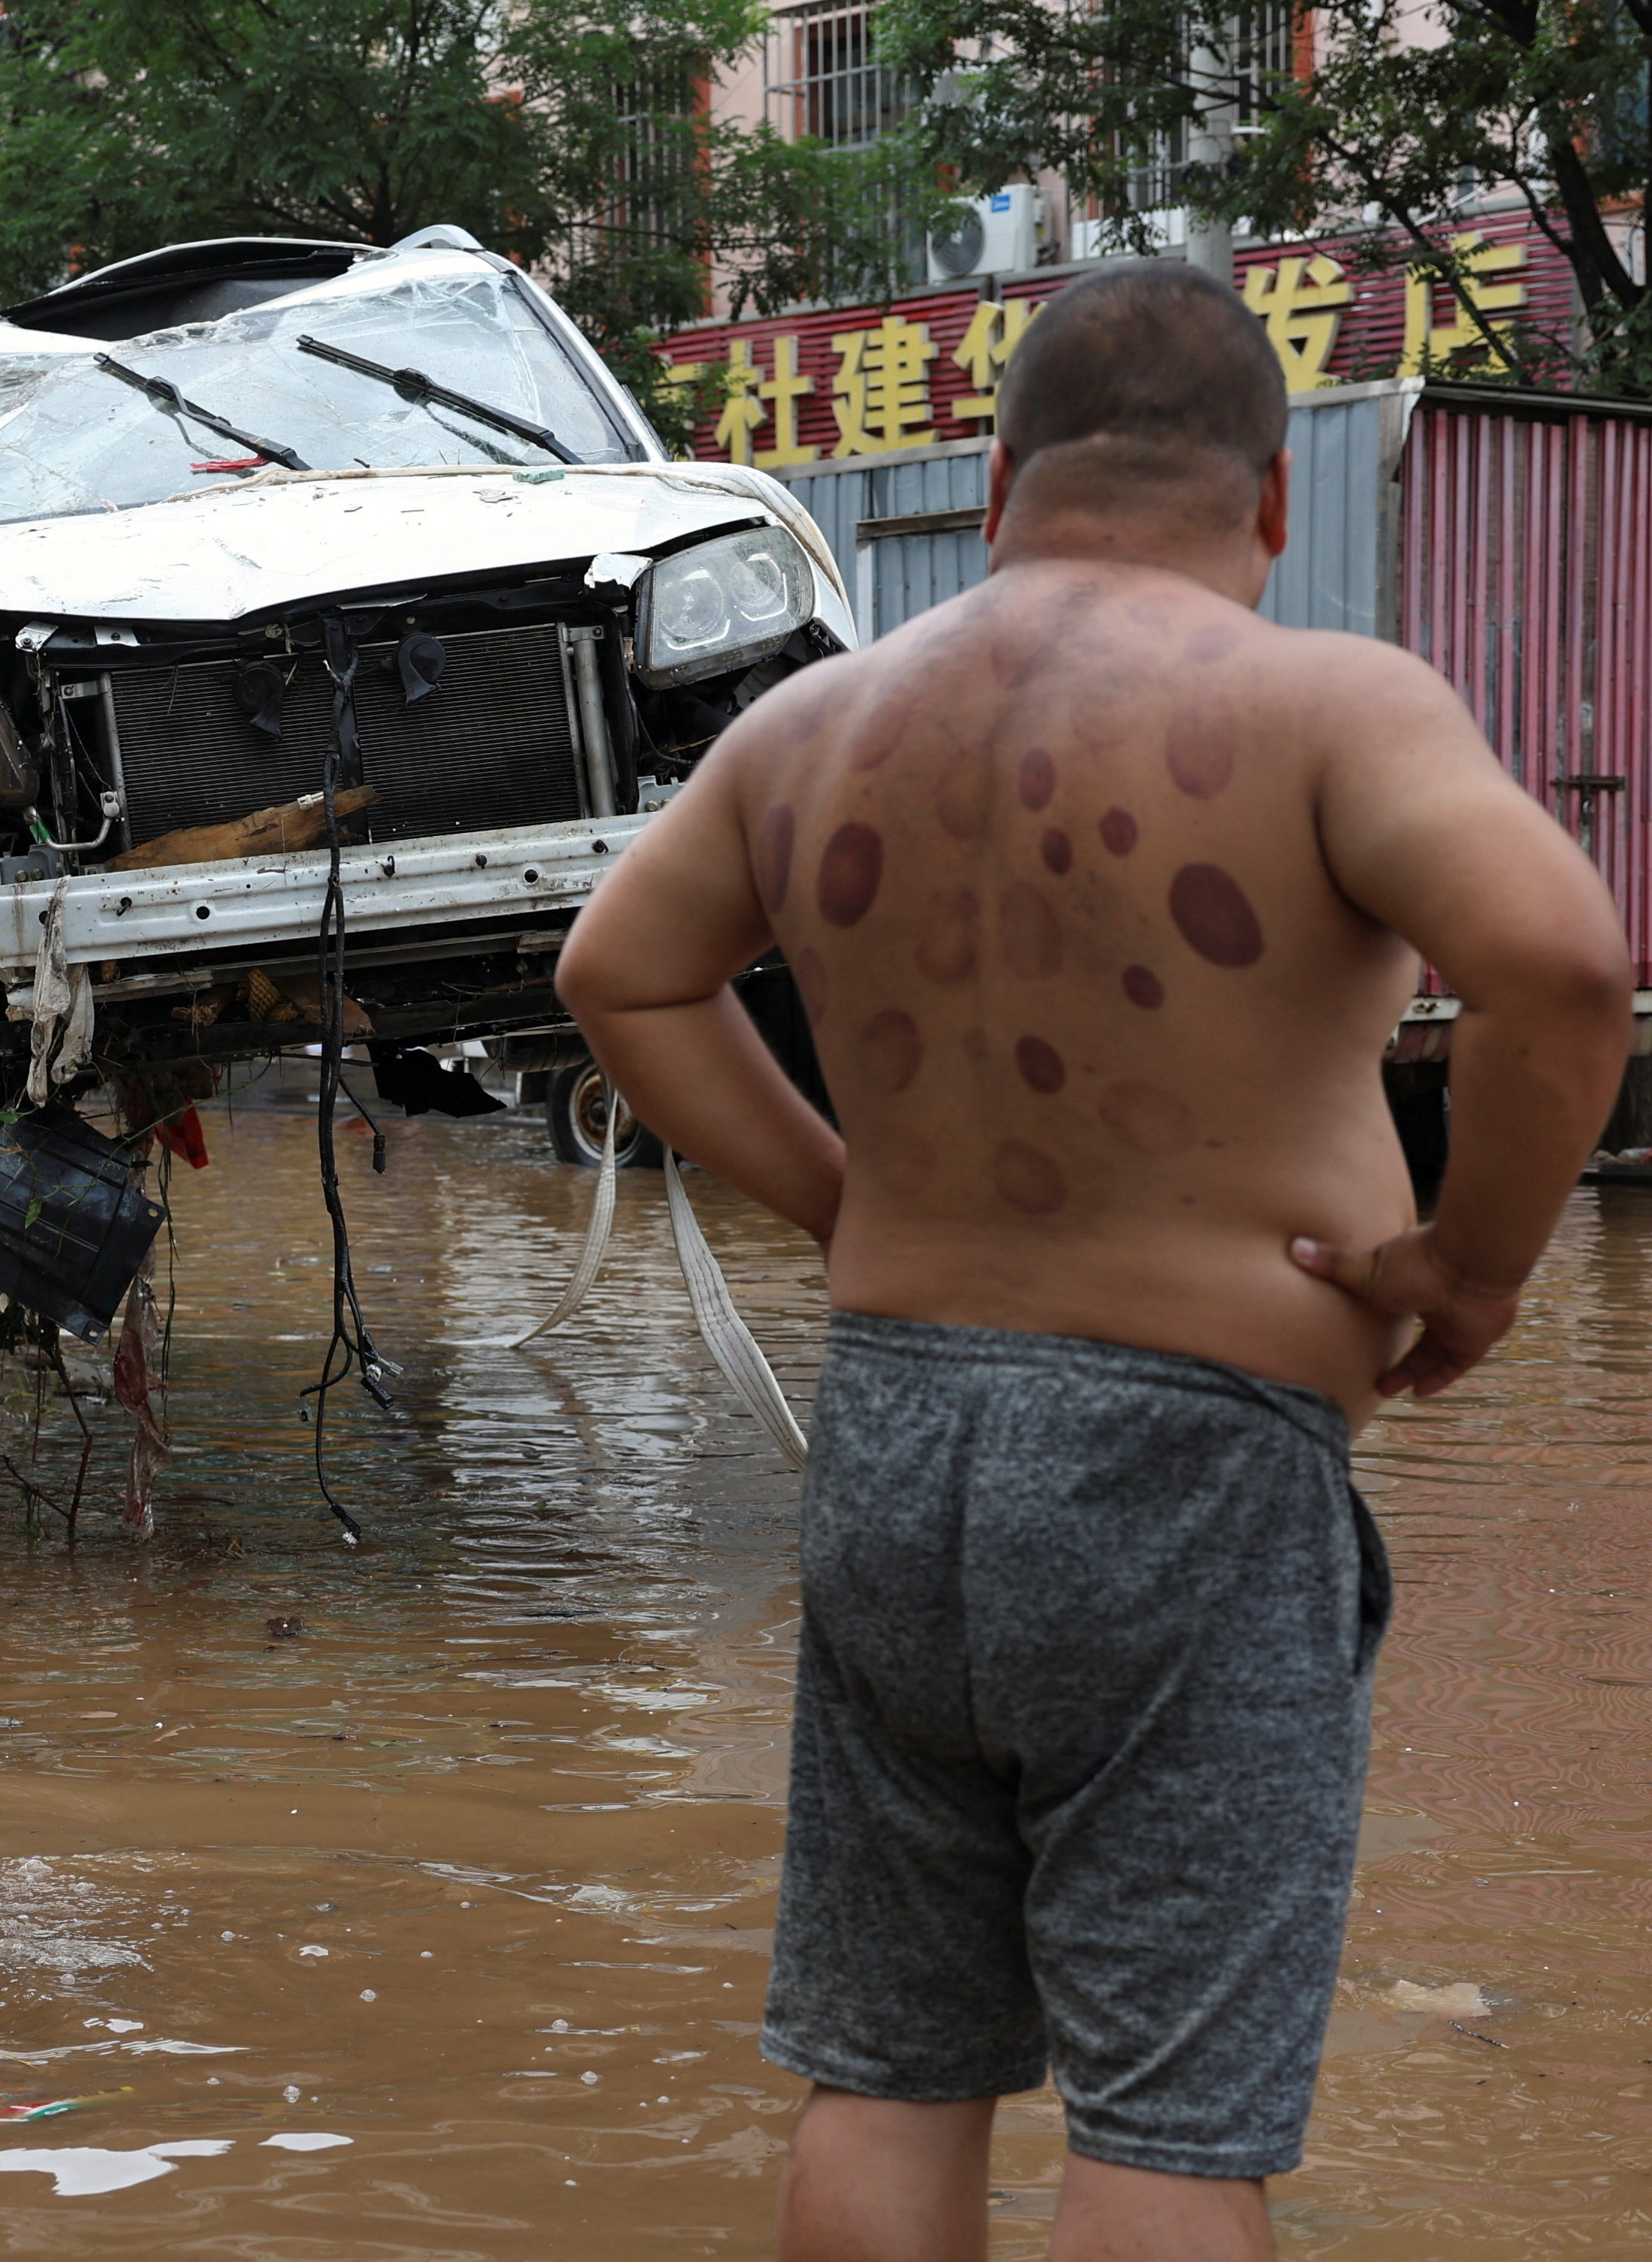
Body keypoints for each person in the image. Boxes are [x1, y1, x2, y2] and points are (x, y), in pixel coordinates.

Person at [556, 262, 1633, 2262]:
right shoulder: (1324, 697)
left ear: (990, 480)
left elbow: (617, 969)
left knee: (886, 2067)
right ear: (1264, 505)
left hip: (893, 1447)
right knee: (1166, 2114)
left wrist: (831, 1196)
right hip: (1192, 1465)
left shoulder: (813, 721)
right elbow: (1560, 965)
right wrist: (1470, 1269)